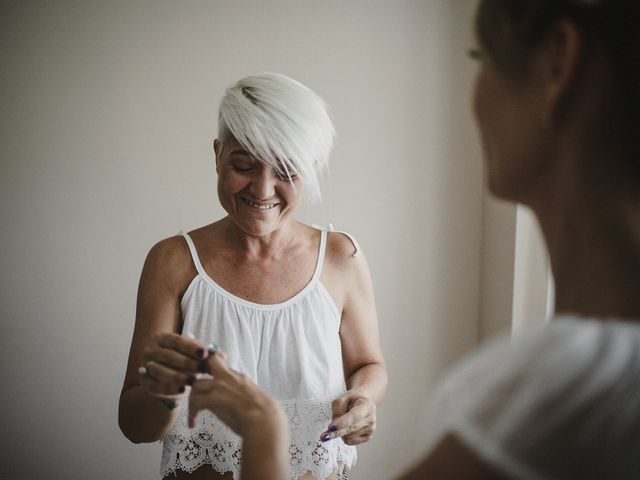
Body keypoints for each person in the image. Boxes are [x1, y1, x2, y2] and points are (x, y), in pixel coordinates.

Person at [187, 1, 640, 478]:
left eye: (478, 57)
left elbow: (369, 364)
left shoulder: (574, 389)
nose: (473, 97)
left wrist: (263, 428)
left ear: (557, 63)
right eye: (244, 164)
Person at [118, 73, 388, 480]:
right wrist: (165, 394)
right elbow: (134, 425)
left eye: (285, 170)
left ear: (310, 167)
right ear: (217, 154)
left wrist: (364, 398)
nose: (263, 189)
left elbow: (369, 364)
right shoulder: (172, 262)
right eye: (243, 164)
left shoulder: (341, 258)